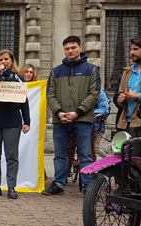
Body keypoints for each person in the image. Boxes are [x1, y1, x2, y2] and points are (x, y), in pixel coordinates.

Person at [43, 36, 100, 195]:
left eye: (73, 47)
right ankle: (59, 184)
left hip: (82, 120)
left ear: (80, 47)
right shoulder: (56, 71)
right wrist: (59, 112)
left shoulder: (92, 69)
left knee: (85, 155)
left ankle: (87, 186)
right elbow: (50, 95)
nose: (70, 51)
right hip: (60, 120)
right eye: (67, 48)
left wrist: (77, 112)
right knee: (60, 155)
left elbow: (94, 94)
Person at [0, 50, 30, 199]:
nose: (3, 62)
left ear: (11, 61)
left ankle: (11, 187)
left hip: (12, 122)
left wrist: (27, 121)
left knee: (11, 156)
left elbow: (24, 101)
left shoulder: (18, 78)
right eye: (0, 59)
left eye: (6, 59)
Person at [115, 37, 141, 138]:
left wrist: (138, 96)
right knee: (126, 153)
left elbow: (136, 96)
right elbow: (118, 96)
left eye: (135, 49)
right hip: (126, 123)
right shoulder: (127, 71)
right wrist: (120, 99)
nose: (131, 52)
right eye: (130, 49)